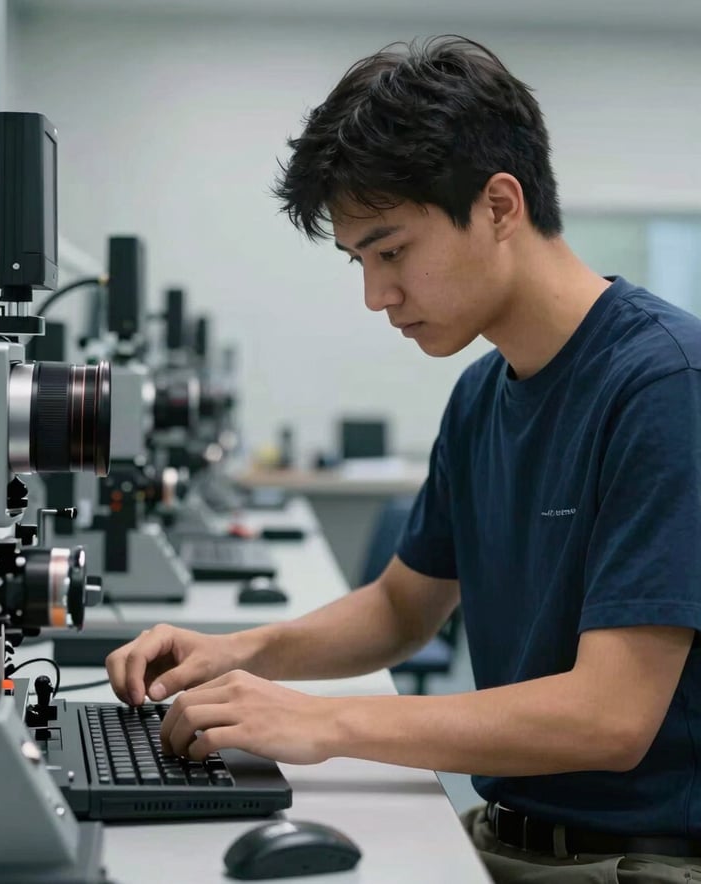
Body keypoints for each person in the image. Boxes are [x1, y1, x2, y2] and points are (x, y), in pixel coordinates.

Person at [106, 36, 701, 882]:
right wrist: (241, 652)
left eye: (391, 252)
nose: (375, 295)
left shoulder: (665, 385)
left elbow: (610, 718)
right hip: (511, 833)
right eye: (360, 261)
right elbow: (400, 610)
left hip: (638, 865)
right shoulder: (482, 394)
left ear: (500, 206)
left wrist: (322, 723)